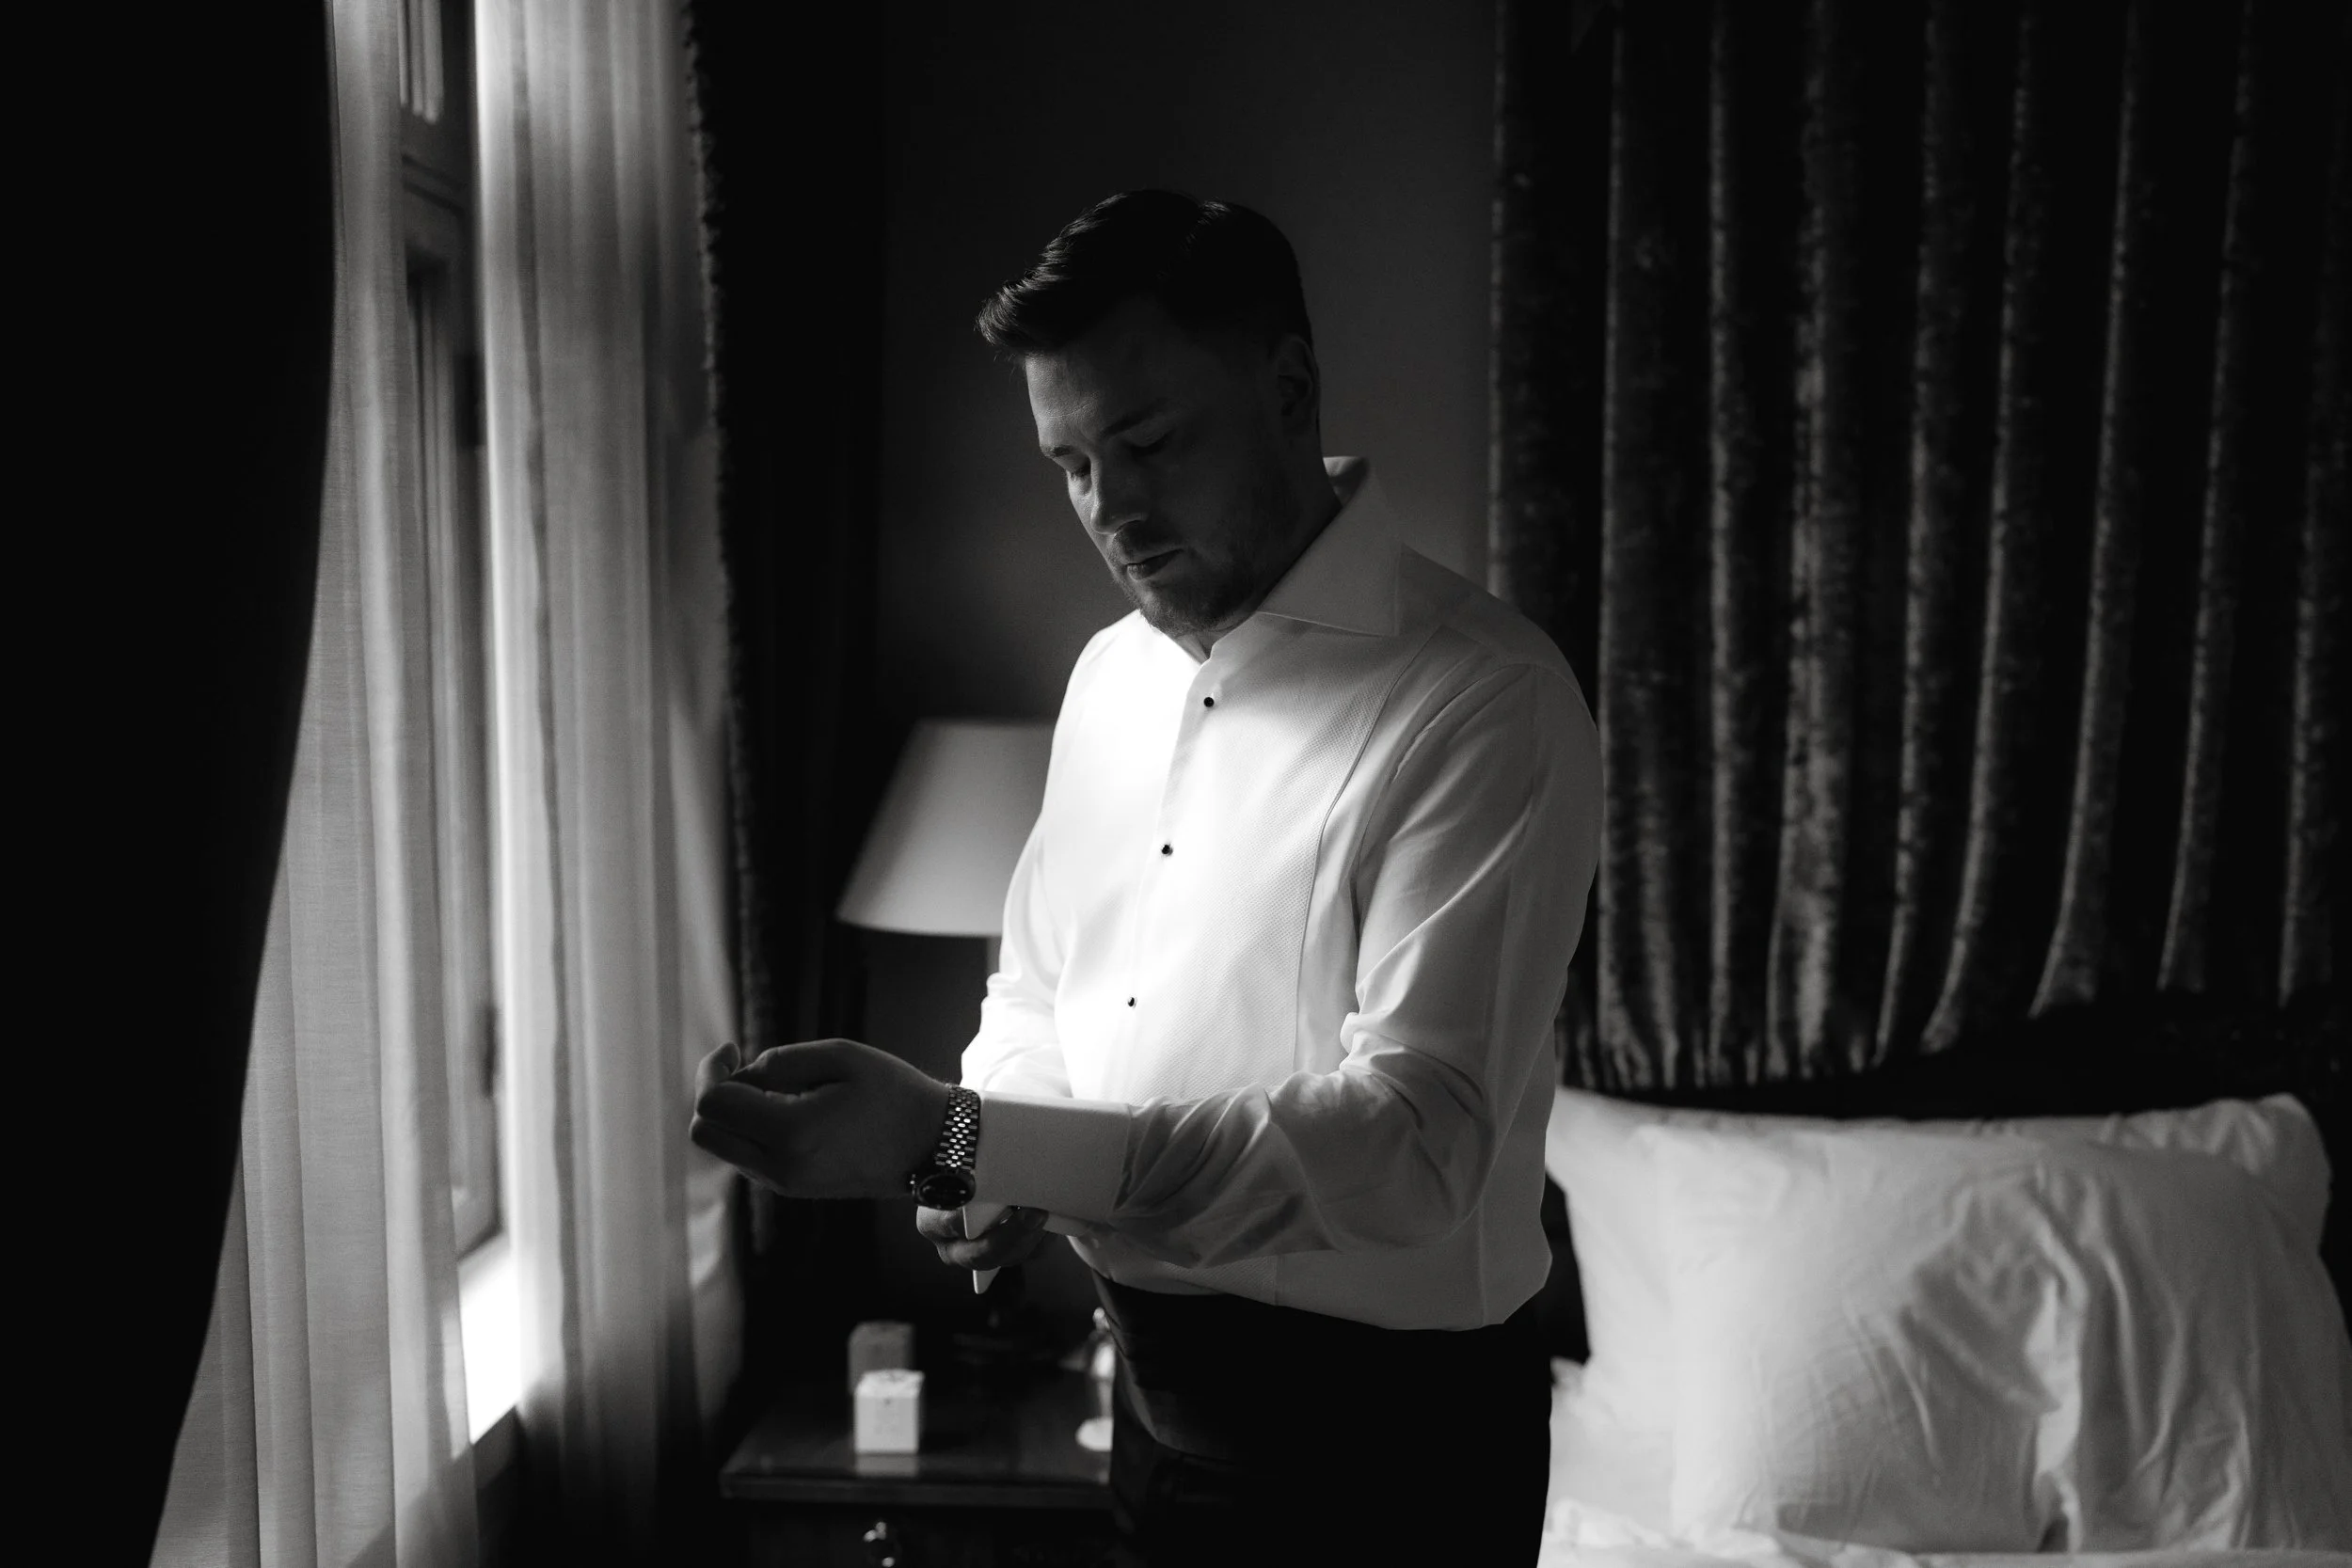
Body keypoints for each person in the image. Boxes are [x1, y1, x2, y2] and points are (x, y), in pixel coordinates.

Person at [691, 189, 1600, 1565]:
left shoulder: (1484, 698)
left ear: (1289, 390)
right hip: (1148, 1426)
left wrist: (964, 1134)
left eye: (1151, 442)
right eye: (1070, 464)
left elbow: (1415, 1144)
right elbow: (1044, 988)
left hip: (1390, 1465)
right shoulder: (1108, 678)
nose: (1111, 509)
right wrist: (984, 1155)